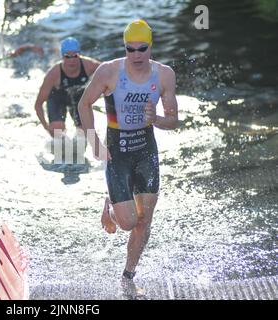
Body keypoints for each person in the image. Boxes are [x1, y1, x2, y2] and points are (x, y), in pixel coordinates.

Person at [78, 19, 179, 280]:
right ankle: (110, 208)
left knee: (145, 220)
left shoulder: (164, 74)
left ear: (151, 47)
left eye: (141, 48)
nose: (136, 54)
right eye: (129, 49)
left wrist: (156, 119)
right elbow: (84, 104)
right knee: (128, 222)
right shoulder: (108, 72)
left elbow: (173, 119)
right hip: (118, 153)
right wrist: (94, 142)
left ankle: (128, 274)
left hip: (146, 152)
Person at [34, 37, 100, 137]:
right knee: (57, 131)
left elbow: (111, 74)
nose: (72, 60)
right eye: (67, 56)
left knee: (83, 133)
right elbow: (38, 104)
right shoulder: (53, 74)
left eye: (75, 56)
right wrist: (46, 127)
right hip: (57, 98)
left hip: (78, 97)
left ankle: (78, 150)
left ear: (79, 55)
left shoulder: (89, 65)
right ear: (62, 57)